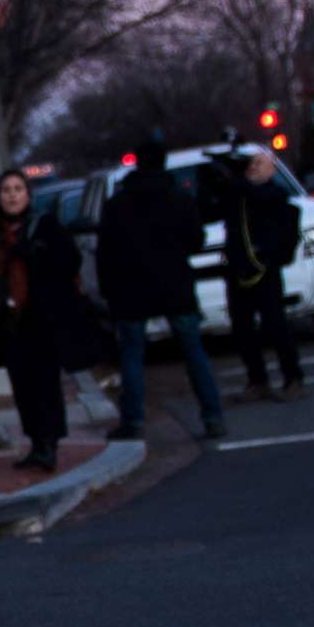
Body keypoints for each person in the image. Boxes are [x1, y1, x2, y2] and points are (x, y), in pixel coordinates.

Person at [0, 169, 96, 472]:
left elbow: (69, 261)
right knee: (22, 386)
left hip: (44, 318)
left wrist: (36, 254)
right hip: (9, 321)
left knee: (46, 384)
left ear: (27, 194)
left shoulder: (45, 226)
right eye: (6, 190)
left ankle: (49, 444)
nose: (12, 195)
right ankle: (36, 443)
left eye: (17, 189)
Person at [97, 141, 229, 441]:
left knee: (132, 356)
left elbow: (106, 252)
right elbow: (195, 240)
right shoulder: (179, 199)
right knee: (194, 353)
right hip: (175, 286)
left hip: (131, 291)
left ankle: (133, 421)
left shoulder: (118, 205)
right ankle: (212, 417)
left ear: (137, 163)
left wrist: (109, 292)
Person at [200, 147, 306, 401]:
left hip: (264, 269)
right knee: (242, 328)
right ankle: (257, 380)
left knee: (275, 324)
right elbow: (210, 211)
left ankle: (293, 378)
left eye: (259, 163)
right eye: (250, 164)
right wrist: (216, 184)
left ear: (271, 169)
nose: (253, 168)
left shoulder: (274, 194)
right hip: (238, 270)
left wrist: (237, 182)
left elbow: (264, 198)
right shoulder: (236, 194)